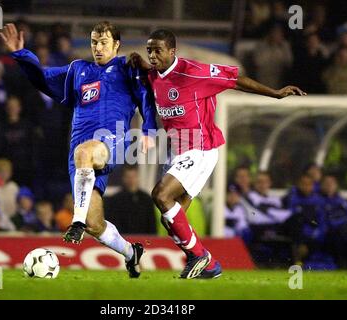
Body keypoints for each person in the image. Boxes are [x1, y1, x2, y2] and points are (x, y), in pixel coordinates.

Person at [130, 29, 306, 279]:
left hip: (200, 148)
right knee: (171, 221)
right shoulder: (154, 75)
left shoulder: (193, 72)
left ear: (172, 51)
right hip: (176, 150)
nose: (153, 55)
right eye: (150, 50)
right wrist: (138, 61)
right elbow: (151, 72)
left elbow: (236, 79)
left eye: (158, 50)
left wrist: (275, 93)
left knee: (161, 194)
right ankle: (209, 265)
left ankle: (199, 256)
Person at [0, 21, 157, 278]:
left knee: (84, 156)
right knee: (96, 225)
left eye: (104, 42)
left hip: (111, 140)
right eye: (94, 42)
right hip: (79, 154)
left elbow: (146, 97)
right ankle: (131, 253)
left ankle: (76, 221)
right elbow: (42, 77)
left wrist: (149, 130)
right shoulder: (78, 70)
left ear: (116, 44)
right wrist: (21, 54)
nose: (98, 47)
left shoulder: (127, 67)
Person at [104, 164, 156, 234]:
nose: (131, 180)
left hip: (144, 241)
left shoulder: (147, 199)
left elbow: (152, 225)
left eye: (134, 176)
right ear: (123, 178)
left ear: (138, 177)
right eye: (128, 177)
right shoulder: (115, 200)